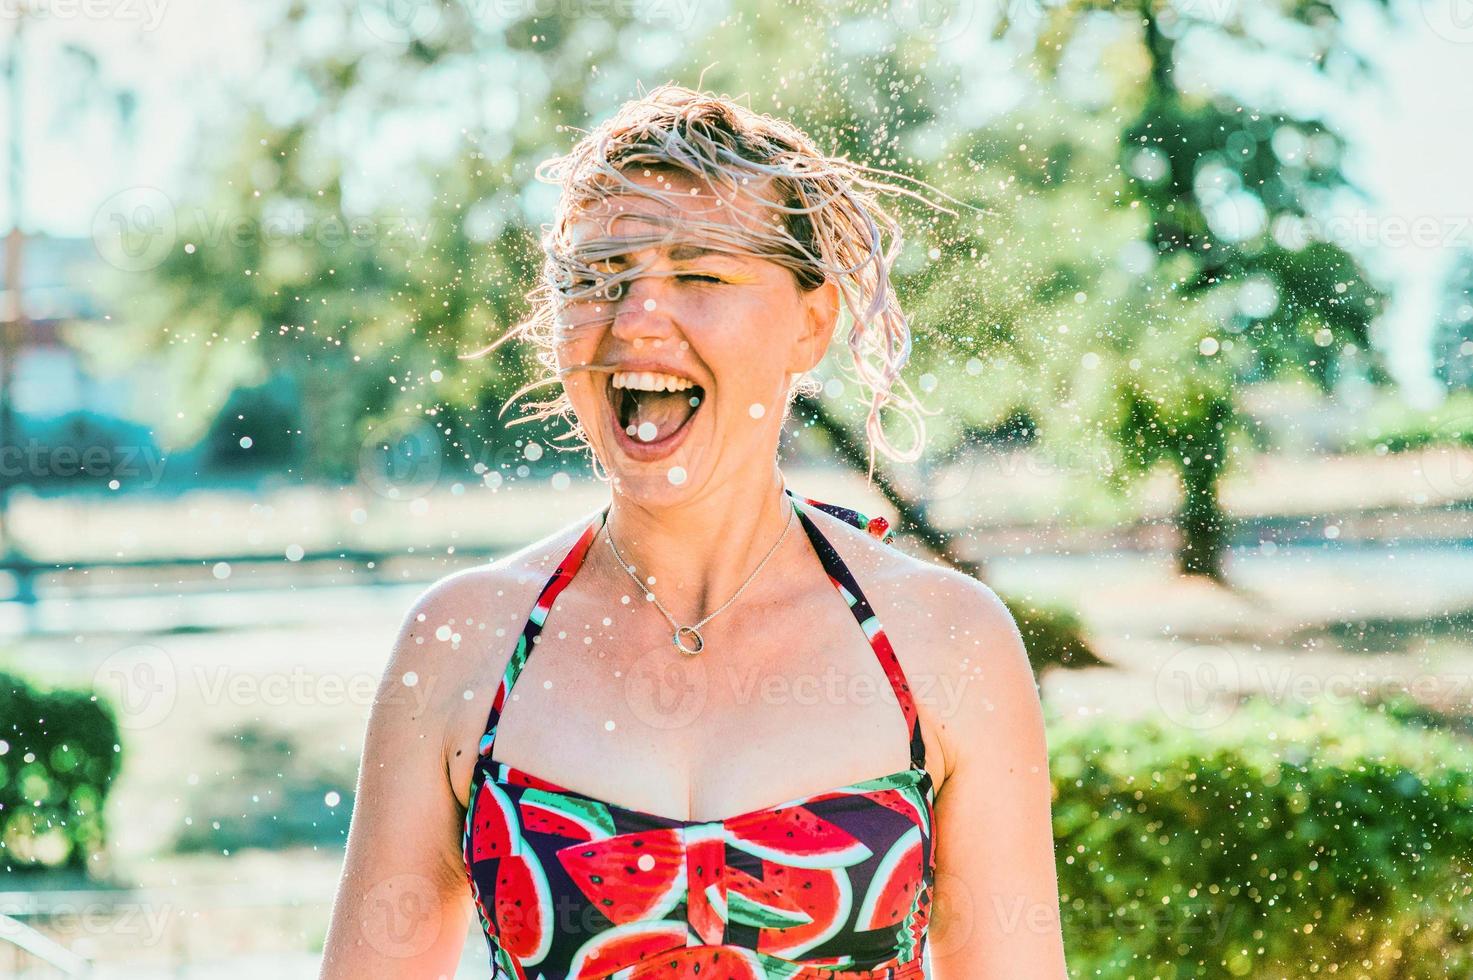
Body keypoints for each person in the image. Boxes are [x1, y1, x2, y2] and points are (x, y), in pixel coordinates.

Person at [321, 84, 1067, 979]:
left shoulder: (947, 640)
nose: (634, 317)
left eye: (701, 273)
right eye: (598, 280)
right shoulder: (459, 644)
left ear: (811, 322)